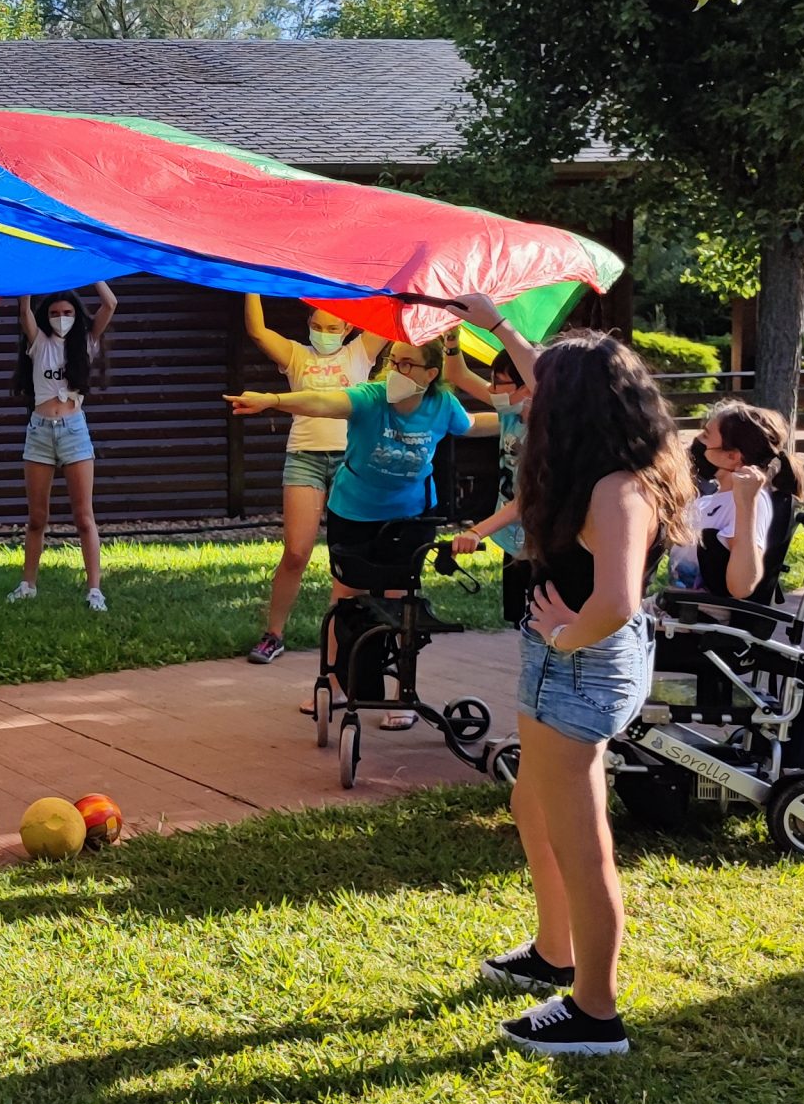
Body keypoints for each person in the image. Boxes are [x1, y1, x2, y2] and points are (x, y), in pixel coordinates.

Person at [480, 331, 693, 1059]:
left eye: (543, 392)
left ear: (570, 409)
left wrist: (566, 637)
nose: (529, 397)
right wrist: (495, 322)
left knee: (582, 840)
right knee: (532, 803)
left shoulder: (618, 489)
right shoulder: (607, 462)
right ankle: (553, 949)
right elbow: (559, 371)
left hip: (581, 666)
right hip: (562, 659)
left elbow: (619, 600)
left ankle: (595, 1012)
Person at [228, 324, 498, 728]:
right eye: (394, 361)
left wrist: (523, 416)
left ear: (430, 374)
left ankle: (401, 695)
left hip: (409, 517)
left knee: (400, 603)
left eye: (408, 364)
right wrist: (273, 400)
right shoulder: (371, 398)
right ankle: (336, 686)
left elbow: (474, 426)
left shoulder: (442, 405)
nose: (397, 371)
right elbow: (321, 401)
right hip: (353, 512)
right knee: (347, 597)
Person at [237, 298, 381, 662]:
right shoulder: (297, 356)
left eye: (333, 329)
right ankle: (273, 634)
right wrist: (251, 284)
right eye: (318, 326)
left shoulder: (360, 352)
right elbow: (257, 331)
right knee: (296, 551)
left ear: (348, 329)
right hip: (305, 458)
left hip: (352, 458)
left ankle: (351, 634)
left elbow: (390, 315)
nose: (324, 334)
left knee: (349, 554)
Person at [8, 281, 117, 611]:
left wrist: (93, 269)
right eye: (55, 313)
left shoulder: (86, 341)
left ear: (76, 314)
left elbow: (110, 304)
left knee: (84, 517)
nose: (61, 318)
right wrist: (28, 277)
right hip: (40, 431)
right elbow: (24, 310)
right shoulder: (38, 342)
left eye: (67, 312)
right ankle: (28, 584)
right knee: (37, 518)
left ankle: (94, 590)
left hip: (74, 430)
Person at [450, 341, 545, 627]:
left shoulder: (548, 434)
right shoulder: (510, 411)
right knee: (519, 621)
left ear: (529, 386)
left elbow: (526, 500)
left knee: (541, 625)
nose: (491, 390)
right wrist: (452, 338)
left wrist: (476, 532)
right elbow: (458, 375)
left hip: (540, 544)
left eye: (500, 383)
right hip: (512, 540)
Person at [671, 401, 803, 604]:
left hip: (700, 623)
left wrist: (746, 504)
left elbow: (742, 587)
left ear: (732, 456)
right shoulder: (708, 500)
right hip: (672, 612)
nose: (696, 441)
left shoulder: (751, 503)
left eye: (706, 435)